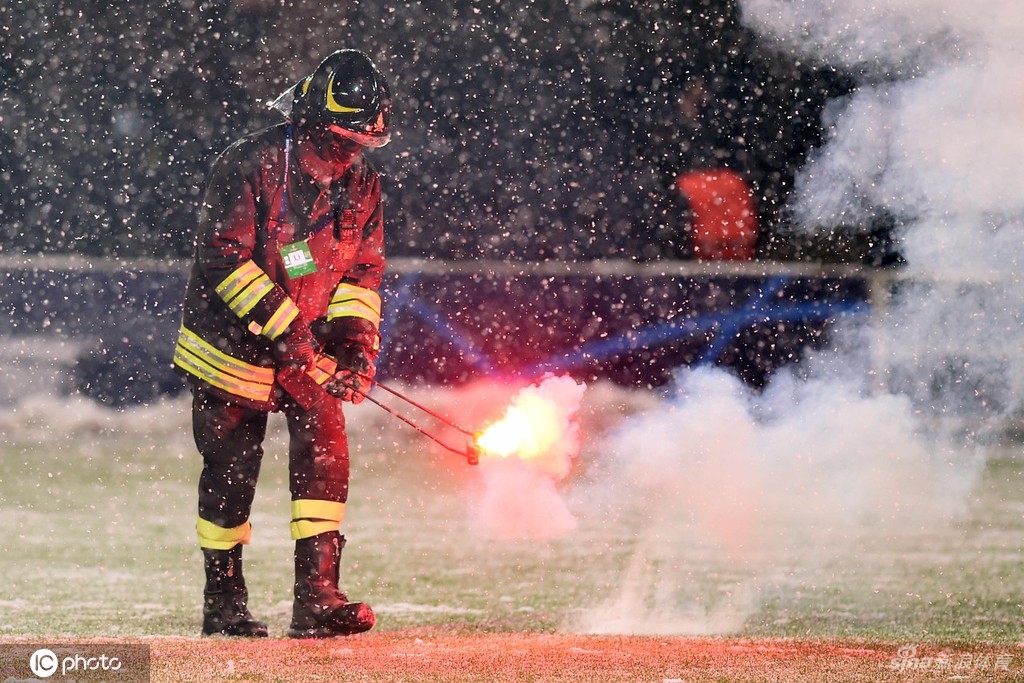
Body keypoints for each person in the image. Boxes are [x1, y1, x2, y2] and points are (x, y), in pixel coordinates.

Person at [172, 48, 391, 638]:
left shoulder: (364, 182)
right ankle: (224, 602)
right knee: (231, 471)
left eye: (359, 144)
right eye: (341, 140)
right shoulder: (249, 165)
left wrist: (354, 343)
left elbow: (361, 274)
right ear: (311, 124)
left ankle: (317, 601)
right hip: (230, 349)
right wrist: (283, 326)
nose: (349, 155)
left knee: (326, 461)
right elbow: (222, 257)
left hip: (306, 352)